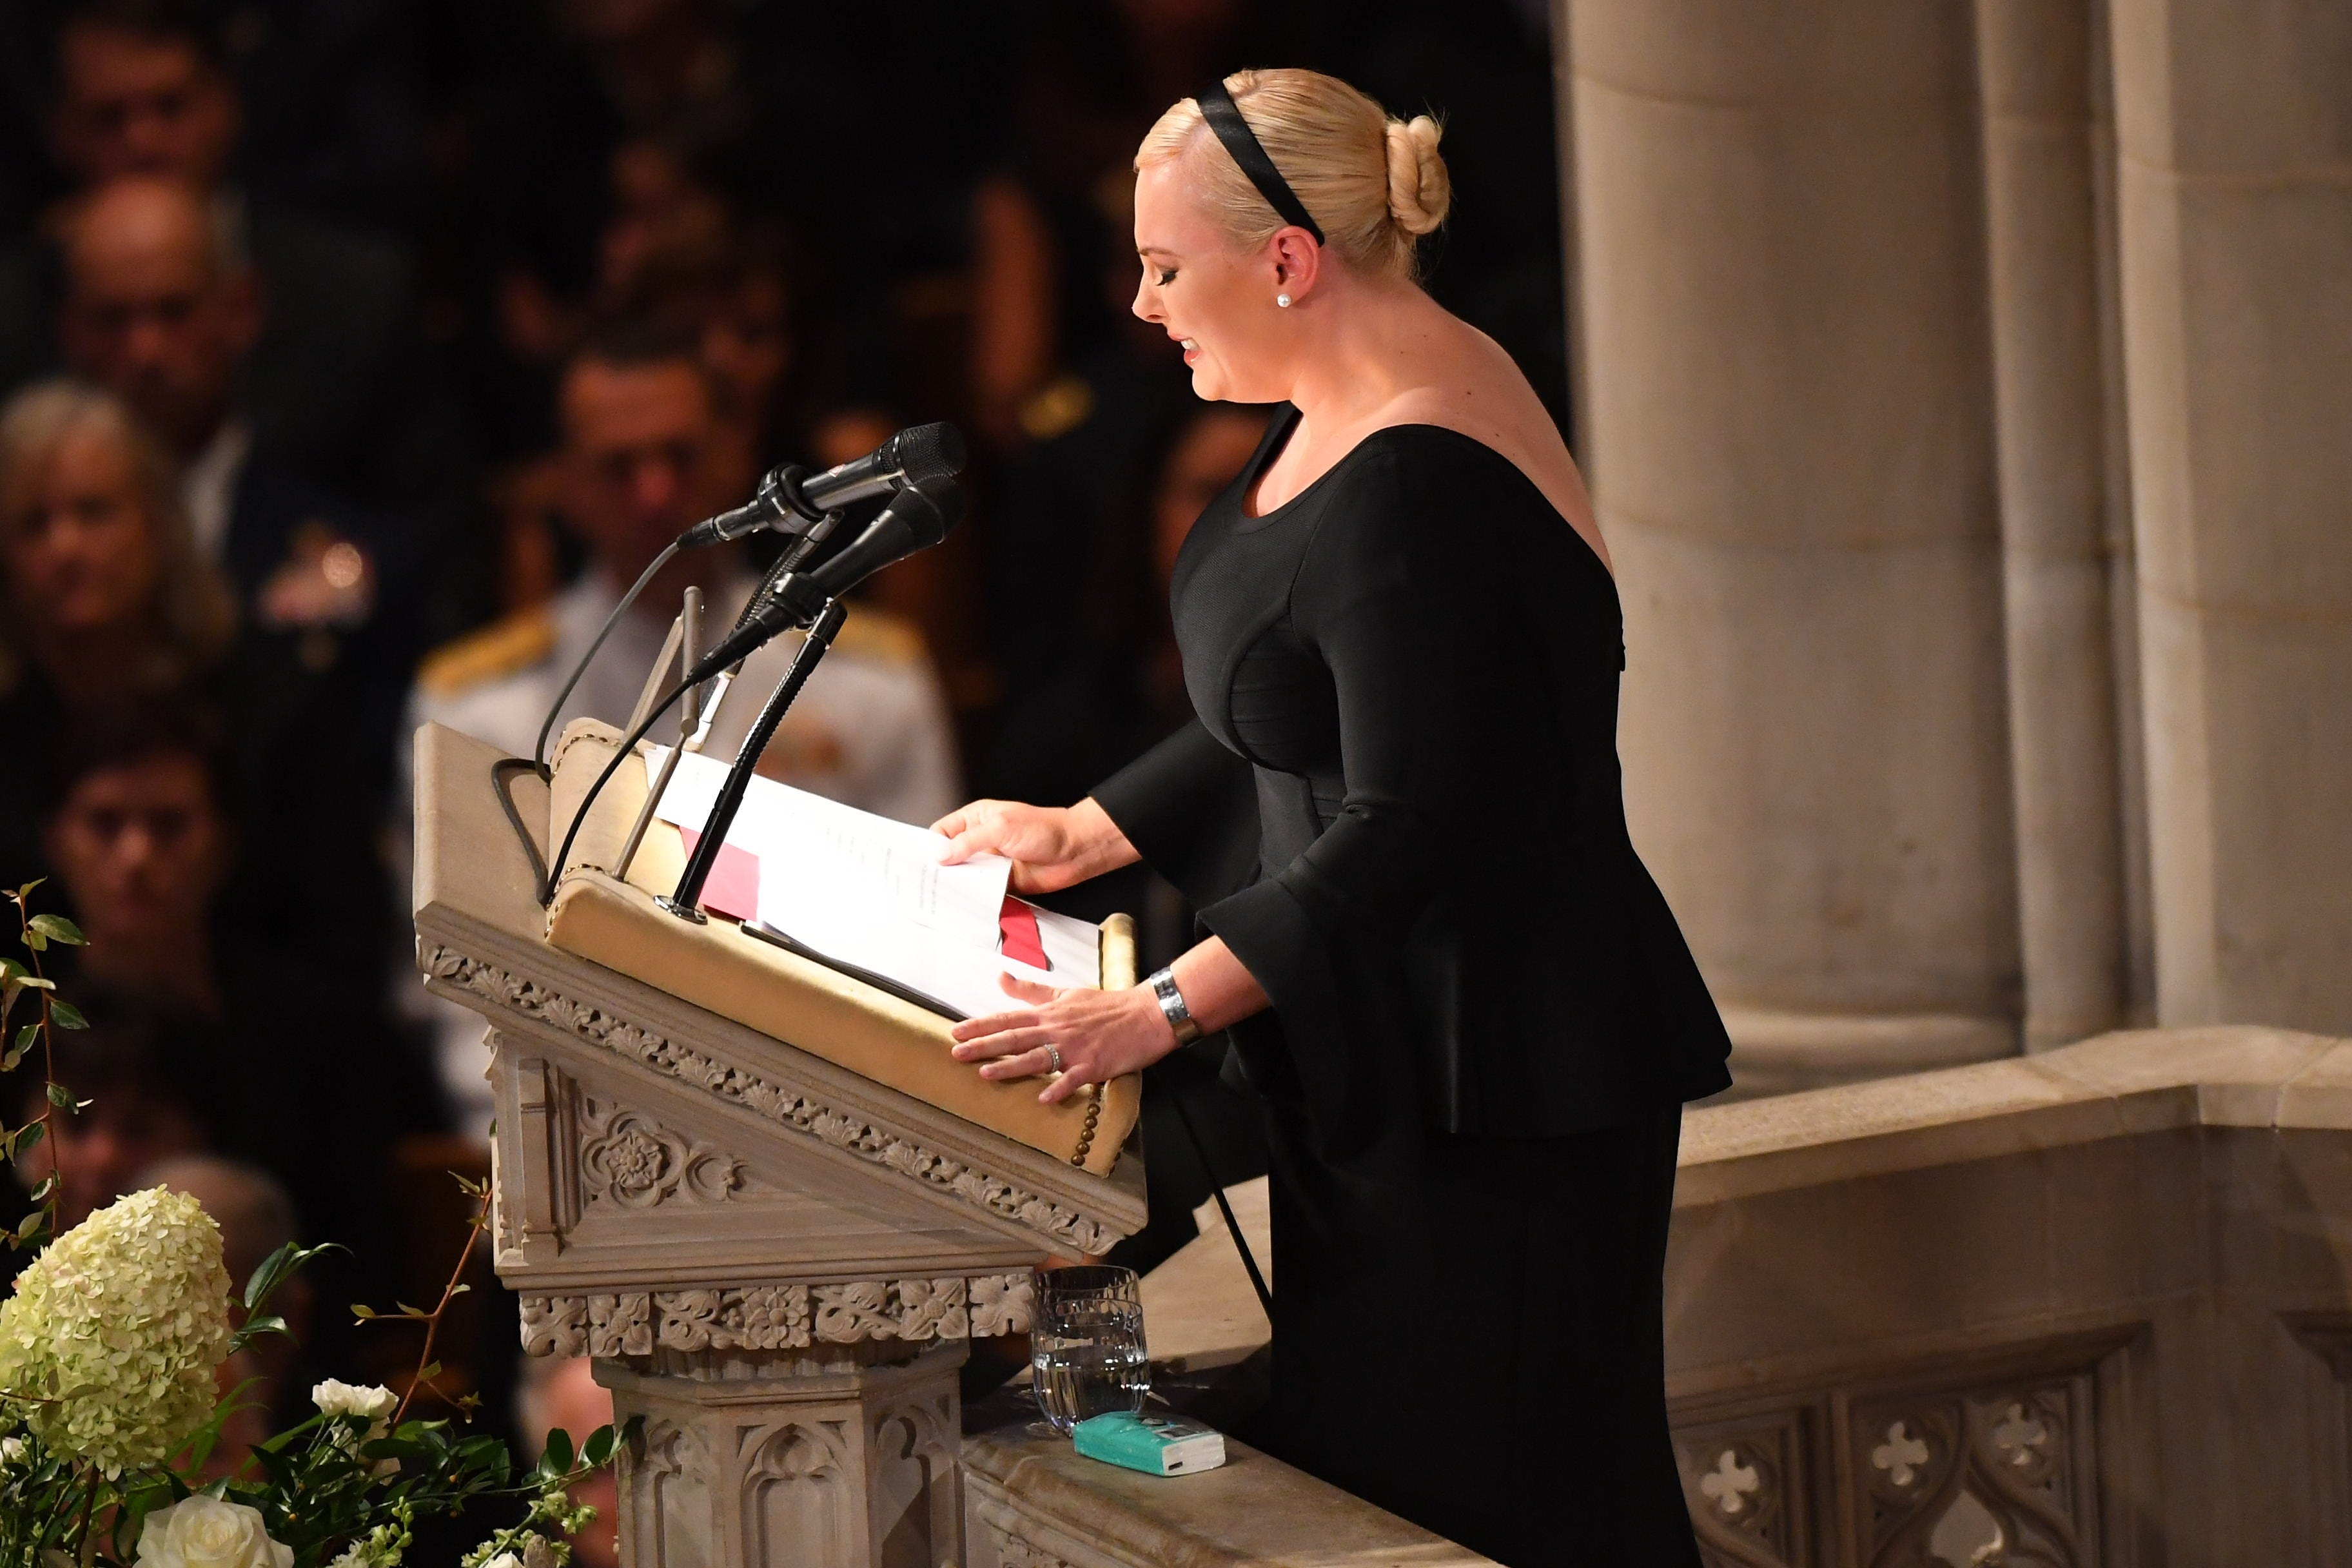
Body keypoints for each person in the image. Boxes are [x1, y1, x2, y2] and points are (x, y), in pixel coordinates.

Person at [930, 70, 1732, 1565]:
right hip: (1390, 1038)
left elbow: (1408, 816)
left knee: (1508, 1513)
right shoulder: (1344, 398)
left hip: (1498, 1079)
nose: (1141, 306)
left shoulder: (1419, 474)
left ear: (1290, 260)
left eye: (1165, 267)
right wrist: (1086, 829)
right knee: (1382, 1479)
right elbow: (1293, 698)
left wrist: (1162, 1008)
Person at [405, 323, 962, 1131]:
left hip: (829, 1113)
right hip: (568, 1115)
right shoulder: (478, 707)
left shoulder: (871, 683)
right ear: (565, 480)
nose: (655, 493)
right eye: (619, 466)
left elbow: (926, 943)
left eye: (680, 455)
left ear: (736, 453)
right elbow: (457, 981)